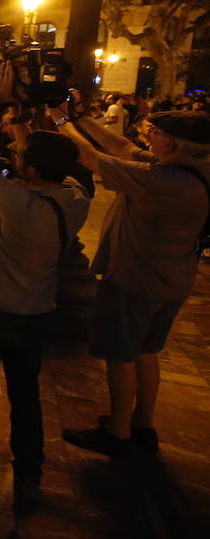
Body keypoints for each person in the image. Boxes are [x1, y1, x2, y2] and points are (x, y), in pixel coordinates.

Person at [0, 68, 89, 499]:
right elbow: (44, 157)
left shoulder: (19, 200)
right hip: (35, 315)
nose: (15, 151)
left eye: (20, 152)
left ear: (26, 169)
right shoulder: (75, 197)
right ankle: (30, 469)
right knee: (26, 395)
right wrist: (26, 115)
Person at [49, 103, 210, 456]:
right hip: (173, 279)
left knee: (119, 354)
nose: (146, 137)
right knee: (146, 351)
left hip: (136, 278)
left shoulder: (164, 181)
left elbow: (90, 157)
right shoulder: (191, 169)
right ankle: (142, 423)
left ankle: (118, 433)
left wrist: (59, 119)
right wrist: (78, 114)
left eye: (154, 134)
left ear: (172, 144)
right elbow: (120, 146)